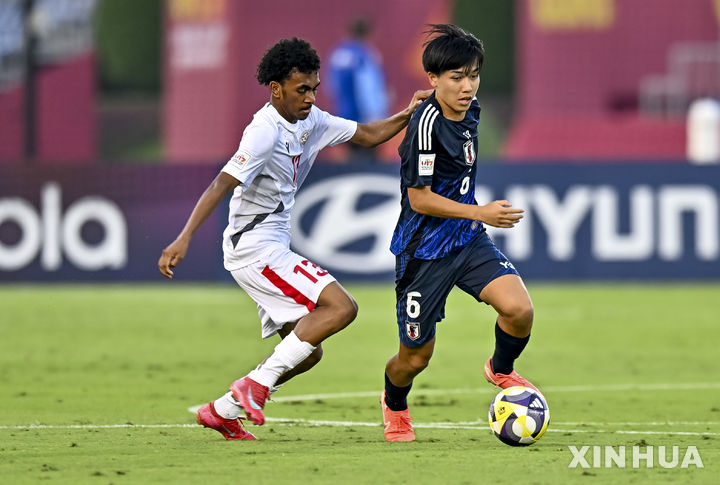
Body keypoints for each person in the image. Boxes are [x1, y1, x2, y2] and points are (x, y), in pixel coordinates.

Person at [157, 37, 430, 441]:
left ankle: (223, 410)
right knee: (341, 307)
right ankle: (254, 386)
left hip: (271, 245)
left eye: (314, 88)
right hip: (254, 247)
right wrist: (183, 238)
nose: (310, 97)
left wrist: (408, 114)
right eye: (302, 89)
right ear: (276, 88)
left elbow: (369, 135)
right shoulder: (263, 132)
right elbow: (220, 184)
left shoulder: (312, 120)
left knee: (308, 352)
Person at [380, 24, 538, 442]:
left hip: (467, 239)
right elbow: (419, 199)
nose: (467, 87)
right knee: (415, 359)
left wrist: (474, 220)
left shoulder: (471, 108)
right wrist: (481, 212)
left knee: (519, 310)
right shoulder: (425, 127)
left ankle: (500, 369)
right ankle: (394, 403)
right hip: (424, 253)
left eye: (473, 76)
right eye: (456, 78)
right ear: (433, 78)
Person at [327, 16, 390, 162]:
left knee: (352, 160)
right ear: (368, 33)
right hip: (364, 120)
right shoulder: (364, 55)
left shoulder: (337, 54)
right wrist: (376, 118)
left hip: (343, 117)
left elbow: (332, 87)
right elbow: (368, 89)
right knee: (367, 165)